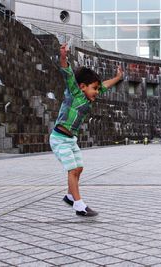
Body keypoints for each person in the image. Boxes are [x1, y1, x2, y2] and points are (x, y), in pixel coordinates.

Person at [49, 44, 123, 217]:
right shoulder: (74, 93)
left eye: (97, 89)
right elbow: (67, 73)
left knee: (79, 168)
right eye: (94, 88)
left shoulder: (89, 97)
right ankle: (79, 205)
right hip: (59, 138)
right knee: (72, 170)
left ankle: (69, 196)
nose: (97, 91)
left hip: (70, 140)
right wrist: (63, 56)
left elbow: (105, 85)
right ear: (82, 86)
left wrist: (118, 77)